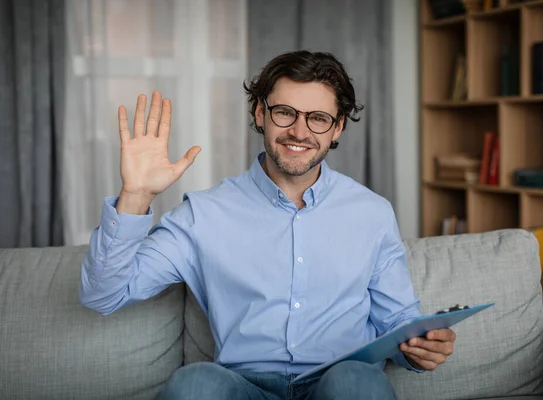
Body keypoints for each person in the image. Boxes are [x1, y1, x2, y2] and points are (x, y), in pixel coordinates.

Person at [79, 50, 456, 400]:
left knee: (356, 380)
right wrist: (136, 195)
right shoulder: (204, 213)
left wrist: (421, 349)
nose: (299, 131)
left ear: (337, 128)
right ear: (260, 113)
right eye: (284, 112)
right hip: (243, 385)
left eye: (318, 118)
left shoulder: (372, 213)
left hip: (339, 383)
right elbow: (103, 295)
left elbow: (399, 322)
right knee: (194, 384)